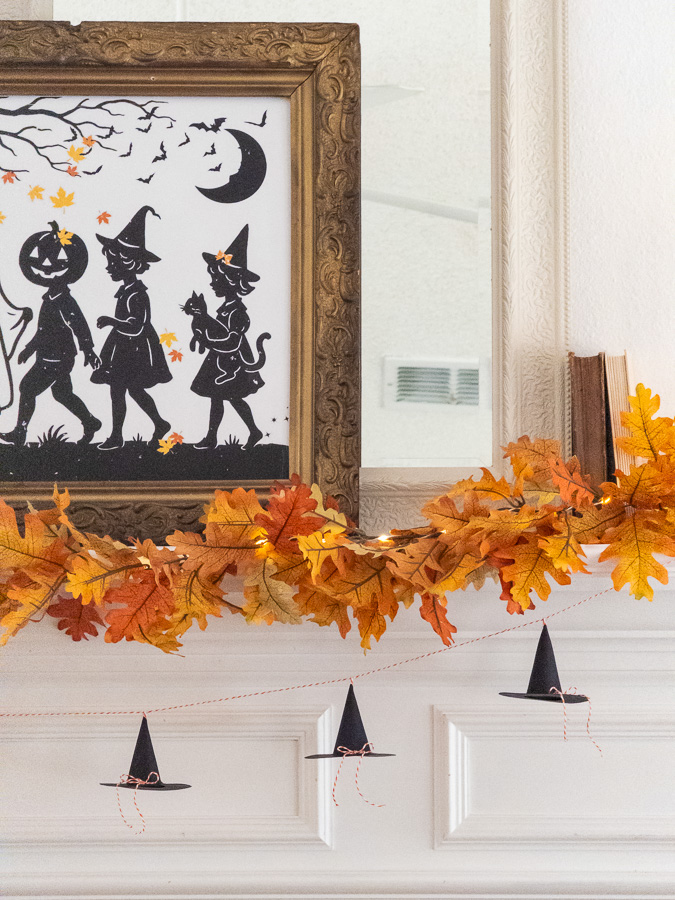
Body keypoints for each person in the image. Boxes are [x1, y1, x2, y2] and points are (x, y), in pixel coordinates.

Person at [0, 221, 100, 446]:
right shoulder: (51, 297)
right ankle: (90, 421)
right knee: (62, 394)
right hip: (51, 355)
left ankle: (20, 432)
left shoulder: (64, 299)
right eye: (40, 260)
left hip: (57, 357)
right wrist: (29, 348)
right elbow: (44, 330)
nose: (46, 266)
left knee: (27, 387)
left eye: (58, 261)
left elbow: (79, 325)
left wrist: (89, 349)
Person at [92, 206, 172, 450]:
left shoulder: (137, 294)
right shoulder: (126, 291)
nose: (109, 266)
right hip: (123, 348)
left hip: (135, 350)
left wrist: (111, 321)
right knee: (130, 390)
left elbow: (137, 326)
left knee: (122, 390)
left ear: (129, 262)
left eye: (113, 261)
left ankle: (118, 436)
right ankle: (158, 423)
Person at [189, 225, 268, 450]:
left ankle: (251, 431)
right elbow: (216, 331)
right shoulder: (224, 309)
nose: (212, 283)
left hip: (233, 362)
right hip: (220, 360)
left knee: (231, 397)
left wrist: (208, 342)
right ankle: (214, 437)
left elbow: (232, 342)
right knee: (219, 397)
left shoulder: (237, 312)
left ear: (231, 281)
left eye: (216, 279)